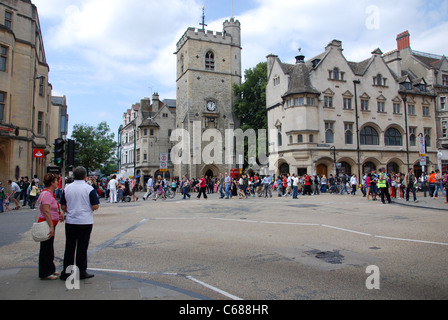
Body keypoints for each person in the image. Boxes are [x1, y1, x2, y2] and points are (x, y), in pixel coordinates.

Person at [59, 167, 100, 281]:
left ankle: (66, 272)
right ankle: (81, 271)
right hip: (85, 221)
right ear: (85, 176)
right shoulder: (89, 188)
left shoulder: (67, 188)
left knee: (70, 247)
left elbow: (63, 206)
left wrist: (71, 210)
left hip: (71, 221)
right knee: (82, 247)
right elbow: (95, 206)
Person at [37, 173, 65, 280]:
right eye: (56, 181)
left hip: (50, 222)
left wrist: (60, 214)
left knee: (48, 247)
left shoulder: (49, 193)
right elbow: (46, 211)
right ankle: (46, 272)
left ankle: (50, 269)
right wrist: (51, 227)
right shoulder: (47, 194)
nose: (57, 183)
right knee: (46, 248)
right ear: (52, 183)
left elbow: (53, 207)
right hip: (46, 223)